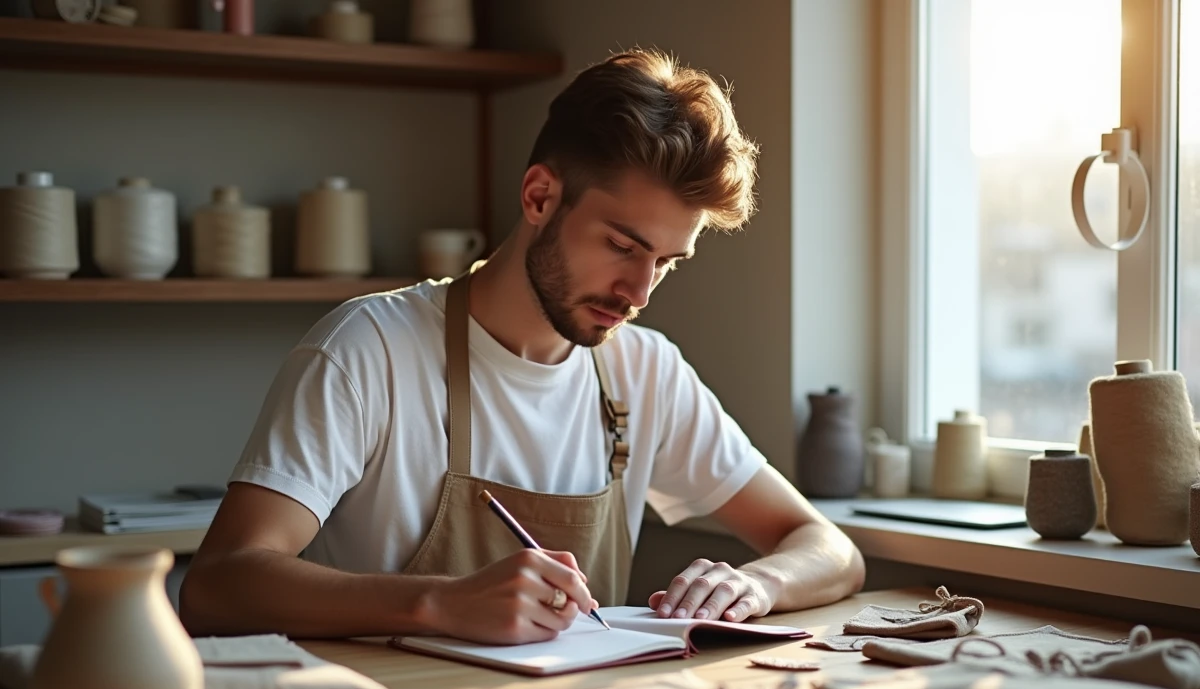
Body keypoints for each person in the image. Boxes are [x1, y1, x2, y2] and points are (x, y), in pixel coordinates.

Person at [179, 48, 864, 645]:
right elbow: (218, 586)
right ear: (540, 196)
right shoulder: (368, 349)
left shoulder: (645, 371)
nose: (640, 291)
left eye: (666, 262)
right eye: (622, 246)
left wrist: (758, 585)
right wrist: (439, 602)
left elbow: (828, 548)